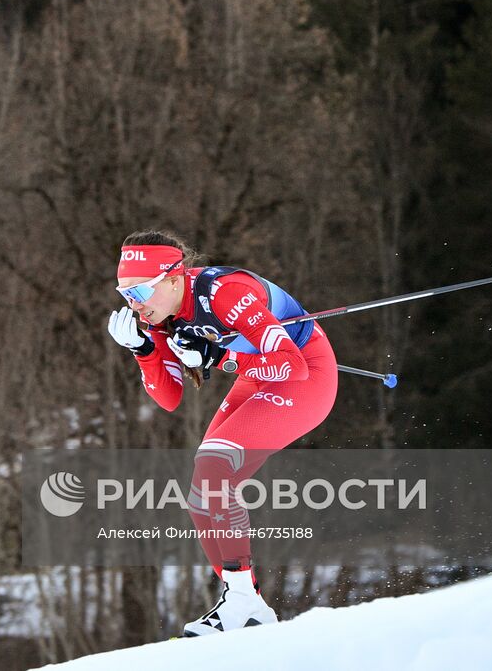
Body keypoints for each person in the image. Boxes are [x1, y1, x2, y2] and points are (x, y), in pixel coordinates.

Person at [106, 229, 338, 637]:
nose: (134, 304)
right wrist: (142, 351)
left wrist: (219, 357)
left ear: (175, 279)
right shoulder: (160, 316)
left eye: (140, 291)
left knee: (215, 468)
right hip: (258, 377)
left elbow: (292, 365)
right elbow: (170, 397)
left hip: (306, 374)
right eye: (126, 294)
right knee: (202, 491)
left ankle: (242, 604)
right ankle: (245, 604)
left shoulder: (225, 293)